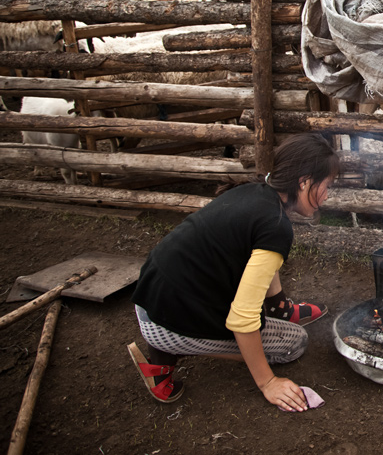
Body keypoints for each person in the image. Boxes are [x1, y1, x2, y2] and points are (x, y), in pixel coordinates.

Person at [127, 132, 340, 412]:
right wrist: (268, 383)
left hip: (151, 293)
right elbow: (242, 318)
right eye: (326, 186)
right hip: (165, 319)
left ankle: (280, 309)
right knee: (294, 342)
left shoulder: (255, 191)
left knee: (273, 318)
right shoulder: (276, 225)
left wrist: (276, 306)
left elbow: (260, 259)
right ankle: (165, 354)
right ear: (303, 182)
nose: (327, 195)